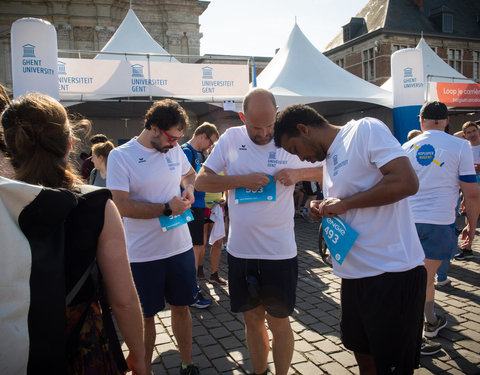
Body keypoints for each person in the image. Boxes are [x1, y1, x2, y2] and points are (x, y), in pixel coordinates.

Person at [274, 104, 427, 373]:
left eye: (296, 149)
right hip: (354, 276)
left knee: (391, 367)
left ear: (303, 129)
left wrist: (345, 204)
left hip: (391, 272)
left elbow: (406, 182)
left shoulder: (364, 129)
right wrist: (321, 207)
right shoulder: (330, 157)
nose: (302, 159)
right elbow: (350, 202)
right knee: (364, 360)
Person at [0, 93, 145, 374]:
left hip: (16, 342)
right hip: (84, 344)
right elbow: (124, 299)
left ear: (11, 146)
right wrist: (139, 357)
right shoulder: (96, 204)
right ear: (68, 144)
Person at [195, 88, 321, 375]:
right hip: (241, 251)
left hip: (279, 252)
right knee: (251, 319)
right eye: (256, 127)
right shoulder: (230, 139)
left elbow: (329, 169)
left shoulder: (290, 140)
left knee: (279, 322)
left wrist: (299, 174)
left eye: (269, 126)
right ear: (242, 117)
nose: (264, 134)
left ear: (277, 115)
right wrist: (242, 180)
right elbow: (202, 182)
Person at [107, 99, 200, 375]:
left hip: (179, 247)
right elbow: (120, 205)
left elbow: (190, 174)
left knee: (182, 308)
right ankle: (143, 369)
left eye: (180, 139)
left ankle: (187, 363)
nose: (175, 144)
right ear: (154, 128)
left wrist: (190, 190)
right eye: (172, 138)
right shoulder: (120, 156)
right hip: (142, 254)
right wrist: (165, 208)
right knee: (145, 317)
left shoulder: (174, 151)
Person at [402, 102, 480, 348]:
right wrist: (472, 225)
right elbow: (472, 193)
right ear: (446, 121)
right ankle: (419, 330)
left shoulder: (405, 147)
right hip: (438, 223)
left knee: (418, 278)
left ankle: (429, 321)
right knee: (424, 279)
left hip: (407, 222)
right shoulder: (460, 146)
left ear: (421, 121)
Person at [181, 122, 219, 308]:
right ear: (203, 135)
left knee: (197, 246)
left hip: (197, 205)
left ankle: (190, 286)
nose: (210, 146)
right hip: (192, 206)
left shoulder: (195, 153)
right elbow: (185, 180)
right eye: (210, 142)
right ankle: (190, 289)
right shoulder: (186, 151)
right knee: (195, 248)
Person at [454, 120, 480, 260]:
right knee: (469, 217)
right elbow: (454, 135)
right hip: (469, 185)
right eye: (468, 132)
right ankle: (468, 247)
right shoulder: (465, 147)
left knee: (472, 218)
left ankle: (468, 246)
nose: (471, 134)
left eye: (474, 131)